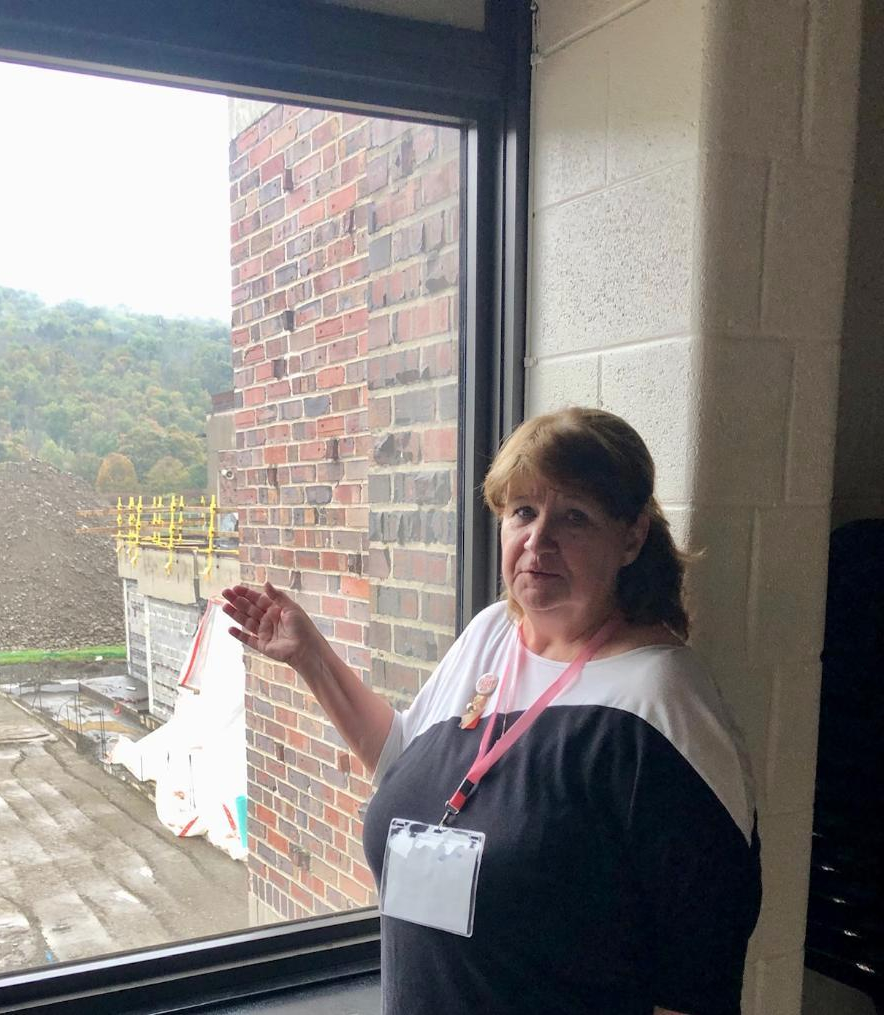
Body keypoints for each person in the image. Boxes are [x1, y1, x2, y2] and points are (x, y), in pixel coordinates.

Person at [223, 407, 761, 1015]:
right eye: (523, 513)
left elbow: (696, 984)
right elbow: (403, 765)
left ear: (632, 537)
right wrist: (312, 658)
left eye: (574, 517)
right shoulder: (490, 638)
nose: (538, 540)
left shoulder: (662, 703)